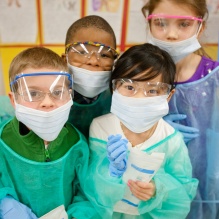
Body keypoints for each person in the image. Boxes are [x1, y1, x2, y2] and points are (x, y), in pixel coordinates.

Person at [84, 43, 198, 219]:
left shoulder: (171, 139)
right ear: (114, 88)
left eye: (152, 90)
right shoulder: (101, 128)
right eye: (129, 87)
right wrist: (109, 172)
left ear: (168, 95)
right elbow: (90, 188)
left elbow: (183, 196)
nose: (139, 97)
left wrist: (157, 190)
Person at [0, 47, 99, 219]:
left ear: (70, 96)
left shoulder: (76, 143)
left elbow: (86, 194)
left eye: (57, 92)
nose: (47, 102)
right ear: (13, 100)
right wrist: (4, 203)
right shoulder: (3, 141)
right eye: (33, 93)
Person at [141, 0, 219, 218]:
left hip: (205, 187)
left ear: (200, 27)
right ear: (149, 24)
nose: (171, 34)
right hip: (150, 188)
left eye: (184, 24)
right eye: (160, 23)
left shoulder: (214, 77)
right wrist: (153, 129)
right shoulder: (136, 76)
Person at [62, 15, 119, 139]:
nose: (93, 61)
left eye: (104, 55)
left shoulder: (119, 98)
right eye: (82, 52)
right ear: (64, 59)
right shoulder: (50, 98)